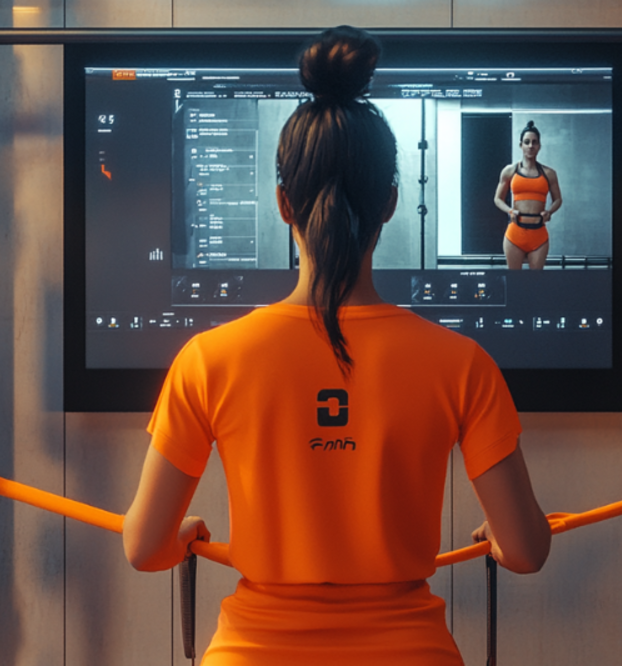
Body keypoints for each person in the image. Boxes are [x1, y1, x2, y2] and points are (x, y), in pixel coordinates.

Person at [123, 26, 551, 666]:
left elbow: (144, 548)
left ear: (283, 204)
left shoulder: (208, 360)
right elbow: (525, 552)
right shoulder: (461, 364)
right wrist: (502, 535)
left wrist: (176, 535)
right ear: (391, 203)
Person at [493, 121, 563, 270]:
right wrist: (510, 211)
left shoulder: (549, 173)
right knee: (515, 280)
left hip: (539, 236)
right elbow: (497, 199)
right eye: (527, 142)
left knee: (535, 281)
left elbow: (558, 199)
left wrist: (549, 212)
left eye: (534, 142)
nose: (531, 146)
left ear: (539, 146)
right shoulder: (509, 171)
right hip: (515, 235)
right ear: (521, 145)